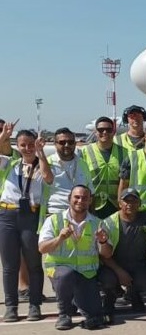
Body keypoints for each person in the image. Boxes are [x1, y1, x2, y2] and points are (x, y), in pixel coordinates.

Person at [0, 124, 53, 322]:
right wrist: (4, 136)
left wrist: (41, 155)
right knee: (9, 265)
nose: (27, 148)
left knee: (33, 263)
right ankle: (11, 306)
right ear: (18, 146)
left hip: (30, 216)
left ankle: (34, 304)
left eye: (31, 145)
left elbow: (48, 178)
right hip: (7, 215)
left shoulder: (42, 165)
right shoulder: (9, 163)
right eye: (23, 145)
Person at [38, 185, 107, 330]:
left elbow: (106, 254)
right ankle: (64, 313)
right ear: (69, 199)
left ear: (90, 201)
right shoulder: (54, 220)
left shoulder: (97, 223)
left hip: (86, 274)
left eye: (84, 198)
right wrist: (60, 238)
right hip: (61, 271)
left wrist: (103, 241)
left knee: (95, 314)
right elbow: (42, 248)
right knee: (66, 275)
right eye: (77, 197)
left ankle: (76, 300)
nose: (80, 200)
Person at [98, 188, 146, 324]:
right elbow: (104, 255)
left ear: (139, 203)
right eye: (126, 201)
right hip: (113, 265)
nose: (130, 204)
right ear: (119, 203)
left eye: (134, 201)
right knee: (108, 279)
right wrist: (119, 272)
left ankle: (134, 293)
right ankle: (110, 297)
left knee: (144, 280)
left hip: (137, 264)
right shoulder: (108, 223)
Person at [43, 127, 94, 219]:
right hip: (55, 213)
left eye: (70, 142)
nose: (67, 145)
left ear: (75, 144)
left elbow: (90, 191)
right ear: (55, 144)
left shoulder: (82, 164)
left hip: (79, 214)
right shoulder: (47, 163)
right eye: (62, 142)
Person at [82, 116, 126, 219]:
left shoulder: (125, 153)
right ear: (95, 132)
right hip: (93, 206)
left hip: (116, 206)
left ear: (114, 131)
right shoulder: (85, 152)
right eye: (101, 130)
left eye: (108, 130)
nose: (105, 132)